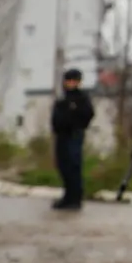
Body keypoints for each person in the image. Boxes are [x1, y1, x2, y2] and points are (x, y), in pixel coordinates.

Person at [48, 67, 93, 211]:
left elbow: (87, 114)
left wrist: (75, 121)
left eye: (74, 81)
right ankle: (67, 197)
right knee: (63, 167)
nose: (71, 84)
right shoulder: (62, 100)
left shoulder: (82, 98)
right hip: (62, 135)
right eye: (69, 81)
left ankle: (75, 199)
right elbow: (56, 117)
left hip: (74, 135)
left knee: (74, 166)